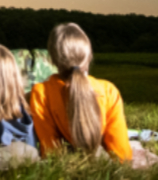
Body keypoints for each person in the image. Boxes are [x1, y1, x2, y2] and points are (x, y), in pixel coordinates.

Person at [29, 23, 132, 162]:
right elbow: (122, 154)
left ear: (52, 59)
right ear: (88, 56)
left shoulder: (41, 92)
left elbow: (51, 151)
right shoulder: (109, 90)